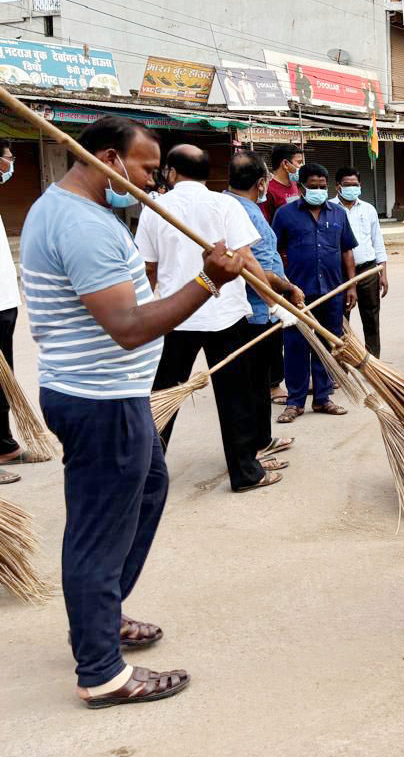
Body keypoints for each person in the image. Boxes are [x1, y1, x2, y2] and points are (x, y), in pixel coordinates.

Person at [20, 114, 244, 707]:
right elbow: (127, 327)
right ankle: (101, 673)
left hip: (116, 397)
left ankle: (102, 612)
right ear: (108, 159)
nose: (154, 181)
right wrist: (207, 282)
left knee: (147, 486)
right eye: (147, 169)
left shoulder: (88, 213)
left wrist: (250, 271)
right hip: (98, 401)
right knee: (98, 531)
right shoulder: (80, 223)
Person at [136, 145, 285, 492]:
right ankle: (245, 473)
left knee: (162, 397)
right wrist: (273, 304)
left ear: (171, 172)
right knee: (237, 397)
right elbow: (246, 259)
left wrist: (143, 316)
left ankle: (144, 476)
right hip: (225, 315)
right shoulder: (225, 204)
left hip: (177, 315)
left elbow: (149, 269)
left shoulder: (156, 207)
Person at [225, 150, 306, 460]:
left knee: (259, 381)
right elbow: (253, 267)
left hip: (263, 306)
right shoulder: (240, 211)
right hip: (256, 309)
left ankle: (262, 438)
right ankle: (254, 446)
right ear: (261, 183)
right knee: (253, 381)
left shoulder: (238, 206)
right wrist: (286, 290)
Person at [273, 163, 357, 422]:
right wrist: (283, 287)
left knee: (327, 346)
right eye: (313, 187)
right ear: (301, 187)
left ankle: (323, 398)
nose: (319, 191)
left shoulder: (339, 215)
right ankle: (295, 402)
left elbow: (346, 251)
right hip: (297, 294)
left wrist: (351, 285)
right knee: (296, 347)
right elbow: (274, 253)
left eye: (323, 187)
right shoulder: (285, 215)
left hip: (332, 292)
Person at [0, 142, 38, 484]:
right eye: (9, 159)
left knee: (3, 380)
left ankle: (4, 444)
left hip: (5, 301)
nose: (11, 166)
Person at [332, 167, 388, 358]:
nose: (351, 188)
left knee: (371, 317)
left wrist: (383, 273)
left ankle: (373, 362)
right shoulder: (329, 208)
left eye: (355, 185)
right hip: (339, 273)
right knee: (339, 320)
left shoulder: (368, 209)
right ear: (337, 186)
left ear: (360, 186)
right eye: (347, 185)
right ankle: (341, 364)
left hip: (367, 270)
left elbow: (377, 241)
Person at [262, 143, 303, 405]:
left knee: (298, 324)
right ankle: (273, 382)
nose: (300, 166)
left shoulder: (295, 188)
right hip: (280, 267)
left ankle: (297, 376)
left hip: (298, 262)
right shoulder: (270, 192)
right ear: (285, 164)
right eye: (298, 162)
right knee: (278, 324)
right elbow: (268, 234)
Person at [263, 143, 303, 223]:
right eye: (299, 162)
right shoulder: (268, 189)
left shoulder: (295, 184)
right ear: (285, 164)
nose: (302, 165)